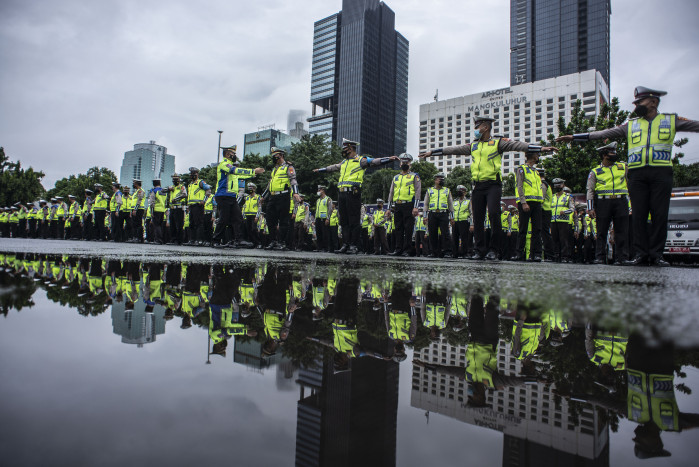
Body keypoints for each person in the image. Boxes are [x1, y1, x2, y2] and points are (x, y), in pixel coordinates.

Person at [557, 86, 699, 266]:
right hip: (637, 174)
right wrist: (575, 137)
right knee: (638, 216)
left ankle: (656, 255)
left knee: (659, 214)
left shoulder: (670, 120)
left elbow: (695, 125)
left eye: (640, 102)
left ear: (653, 102)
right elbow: (603, 133)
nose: (637, 105)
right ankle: (640, 254)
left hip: (661, 172)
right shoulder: (631, 125)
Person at [420, 116, 555, 260]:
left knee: (494, 214)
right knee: (478, 218)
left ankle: (494, 249)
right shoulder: (473, 145)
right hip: (478, 185)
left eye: (478, 127)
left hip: (493, 185)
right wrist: (432, 152)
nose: (476, 130)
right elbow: (453, 149)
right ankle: (479, 250)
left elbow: (518, 145)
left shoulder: (498, 143)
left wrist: (540, 148)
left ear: (486, 127)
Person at [313, 138, 398, 254]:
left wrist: (388, 159)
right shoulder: (344, 162)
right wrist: (321, 170)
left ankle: (354, 245)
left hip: (353, 193)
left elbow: (374, 161)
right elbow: (333, 167)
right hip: (342, 193)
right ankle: (346, 244)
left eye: (345, 149)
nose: (343, 151)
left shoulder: (360, 160)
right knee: (344, 221)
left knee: (354, 220)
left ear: (351, 148)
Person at [584, 142, 630, 265]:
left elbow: (630, 185)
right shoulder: (595, 171)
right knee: (601, 232)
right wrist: (590, 208)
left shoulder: (623, 166)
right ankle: (599, 257)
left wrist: (630, 204)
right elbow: (590, 191)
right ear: (604, 155)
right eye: (611, 153)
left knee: (622, 231)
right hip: (603, 202)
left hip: (621, 201)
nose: (614, 154)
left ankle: (622, 258)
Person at [213, 145, 264, 248]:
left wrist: (254, 174)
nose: (234, 155)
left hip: (231, 197)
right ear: (227, 154)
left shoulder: (231, 167)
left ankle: (238, 240)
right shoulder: (224, 165)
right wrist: (253, 171)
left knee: (238, 219)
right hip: (223, 196)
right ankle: (216, 241)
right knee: (224, 219)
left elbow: (241, 175)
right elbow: (236, 171)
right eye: (233, 154)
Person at [261, 147, 299, 251]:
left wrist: (295, 193)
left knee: (283, 221)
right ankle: (273, 241)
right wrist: (263, 196)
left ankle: (281, 242)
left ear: (281, 155)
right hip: (273, 197)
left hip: (284, 196)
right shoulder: (274, 169)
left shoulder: (288, 167)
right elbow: (270, 185)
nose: (273, 158)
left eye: (275, 156)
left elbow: (293, 180)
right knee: (270, 219)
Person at [387, 153, 421, 256]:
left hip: (409, 205)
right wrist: (388, 208)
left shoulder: (414, 176)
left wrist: (416, 207)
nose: (405, 163)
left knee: (408, 228)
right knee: (398, 228)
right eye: (403, 162)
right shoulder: (396, 177)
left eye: (407, 162)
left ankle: (407, 250)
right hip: (397, 205)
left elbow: (418, 191)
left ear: (410, 163)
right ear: (400, 164)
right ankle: (398, 249)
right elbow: (391, 193)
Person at [512, 150, 544, 261]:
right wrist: (523, 202)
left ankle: (536, 254)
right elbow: (519, 186)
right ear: (532, 155)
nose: (538, 156)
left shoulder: (536, 171)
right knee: (523, 229)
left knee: (537, 229)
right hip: (526, 203)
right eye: (537, 154)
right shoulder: (522, 169)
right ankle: (519, 253)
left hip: (537, 203)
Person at [423, 173, 453, 258]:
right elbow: (426, 204)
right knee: (432, 233)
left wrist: (452, 217)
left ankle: (447, 252)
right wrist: (425, 216)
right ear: (435, 180)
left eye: (442, 178)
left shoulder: (447, 190)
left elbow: (450, 204)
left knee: (445, 233)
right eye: (439, 178)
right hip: (432, 213)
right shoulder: (430, 190)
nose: (441, 180)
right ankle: (433, 252)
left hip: (443, 213)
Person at [550, 178, 575, 262]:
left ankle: (565, 257)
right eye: (555, 185)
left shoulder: (568, 197)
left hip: (564, 221)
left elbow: (572, 209)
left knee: (563, 240)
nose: (557, 187)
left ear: (563, 185)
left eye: (559, 185)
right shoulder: (552, 197)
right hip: (554, 221)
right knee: (554, 239)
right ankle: (556, 256)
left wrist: (565, 212)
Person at [185, 167, 211, 246]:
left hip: (198, 205)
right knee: (191, 223)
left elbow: (208, 190)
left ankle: (199, 240)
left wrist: (204, 200)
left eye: (194, 174)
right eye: (191, 174)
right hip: (191, 206)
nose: (193, 175)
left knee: (199, 223)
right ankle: (192, 240)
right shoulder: (190, 185)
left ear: (197, 174)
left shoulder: (200, 182)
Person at [451, 185, 471, 258]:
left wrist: (471, 224)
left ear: (465, 192)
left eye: (462, 191)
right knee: (454, 238)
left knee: (464, 238)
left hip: (464, 221)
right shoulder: (454, 201)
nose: (460, 192)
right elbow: (452, 211)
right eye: (459, 190)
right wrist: (451, 219)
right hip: (455, 222)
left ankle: (464, 253)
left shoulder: (468, 201)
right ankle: (455, 253)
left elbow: (471, 213)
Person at [314, 185, 334, 252]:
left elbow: (330, 209)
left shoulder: (328, 199)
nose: (318, 191)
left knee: (325, 234)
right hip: (318, 219)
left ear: (323, 190)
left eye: (319, 190)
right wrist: (315, 219)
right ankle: (319, 248)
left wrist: (328, 218)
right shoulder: (318, 200)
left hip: (324, 219)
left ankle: (326, 248)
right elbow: (317, 210)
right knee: (318, 234)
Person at [148, 179, 168, 244]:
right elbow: (166, 201)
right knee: (160, 225)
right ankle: (160, 239)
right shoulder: (164, 191)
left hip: (156, 210)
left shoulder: (154, 191)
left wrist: (151, 211)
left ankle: (158, 239)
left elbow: (152, 202)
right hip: (162, 210)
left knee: (156, 225)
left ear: (154, 184)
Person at [242, 182, 261, 247]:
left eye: (251, 188)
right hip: (247, 215)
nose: (250, 189)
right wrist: (243, 215)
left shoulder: (258, 197)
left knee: (254, 229)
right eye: (249, 188)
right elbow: (244, 206)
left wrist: (257, 216)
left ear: (254, 189)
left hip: (254, 215)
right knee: (248, 230)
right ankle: (251, 243)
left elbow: (259, 207)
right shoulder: (247, 197)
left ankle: (258, 243)